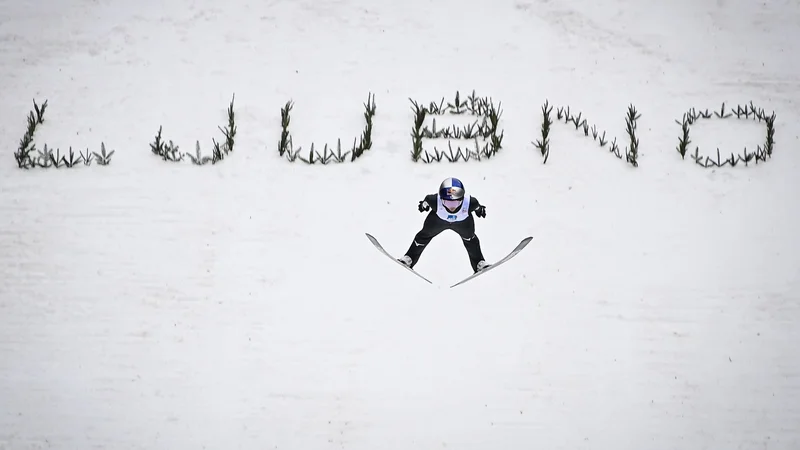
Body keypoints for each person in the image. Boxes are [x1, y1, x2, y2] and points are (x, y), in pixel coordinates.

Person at [398, 177, 490, 273]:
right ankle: (409, 258)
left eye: (456, 202)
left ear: (462, 199)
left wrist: (480, 210)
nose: (452, 207)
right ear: (441, 199)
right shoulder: (434, 200)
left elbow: (478, 207)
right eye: (447, 202)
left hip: (463, 224)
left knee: (470, 239)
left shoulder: (471, 203)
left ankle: (479, 263)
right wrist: (423, 205)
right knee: (423, 236)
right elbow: (426, 201)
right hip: (438, 221)